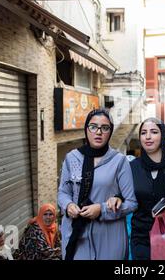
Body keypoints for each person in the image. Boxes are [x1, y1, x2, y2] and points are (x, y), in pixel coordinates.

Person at [110, 117, 165, 260]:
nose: (148, 137)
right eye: (143, 132)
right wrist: (117, 198)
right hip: (141, 238)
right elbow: (124, 193)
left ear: (162, 135)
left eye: (154, 132)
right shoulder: (132, 167)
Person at [57, 108, 137, 260]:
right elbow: (63, 192)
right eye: (93, 127)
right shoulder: (72, 158)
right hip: (76, 235)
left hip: (109, 238)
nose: (98, 132)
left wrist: (101, 209)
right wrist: (68, 205)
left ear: (110, 131)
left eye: (105, 128)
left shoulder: (119, 161)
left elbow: (132, 203)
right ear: (86, 129)